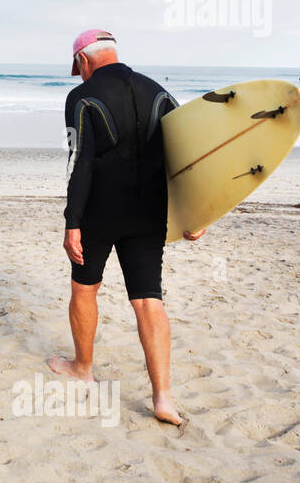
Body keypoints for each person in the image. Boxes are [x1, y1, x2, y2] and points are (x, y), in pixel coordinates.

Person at [48, 30, 204, 425]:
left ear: (83, 60)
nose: (78, 75)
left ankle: (83, 367)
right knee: (149, 298)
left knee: (85, 287)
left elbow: (80, 160)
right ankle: (163, 398)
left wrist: (72, 222)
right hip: (150, 211)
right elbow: (186, 155)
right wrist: (195, 213)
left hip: (100, 211)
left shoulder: (80, 97)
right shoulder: (158, 92)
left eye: (77, 68)